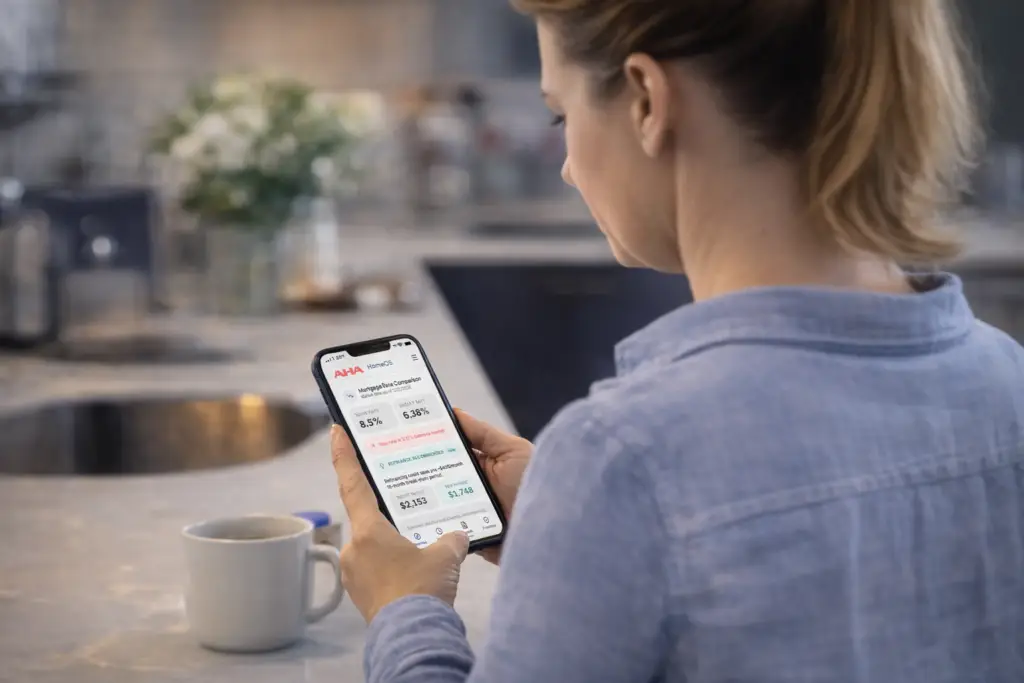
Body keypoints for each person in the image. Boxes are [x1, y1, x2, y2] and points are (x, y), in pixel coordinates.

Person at [329, 0, 1024, 681]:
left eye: (561, 115)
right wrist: (574, 534)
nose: (567, 166)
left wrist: (405, 607)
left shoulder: (621, 458)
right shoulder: (1007, 378)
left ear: (646, 102)